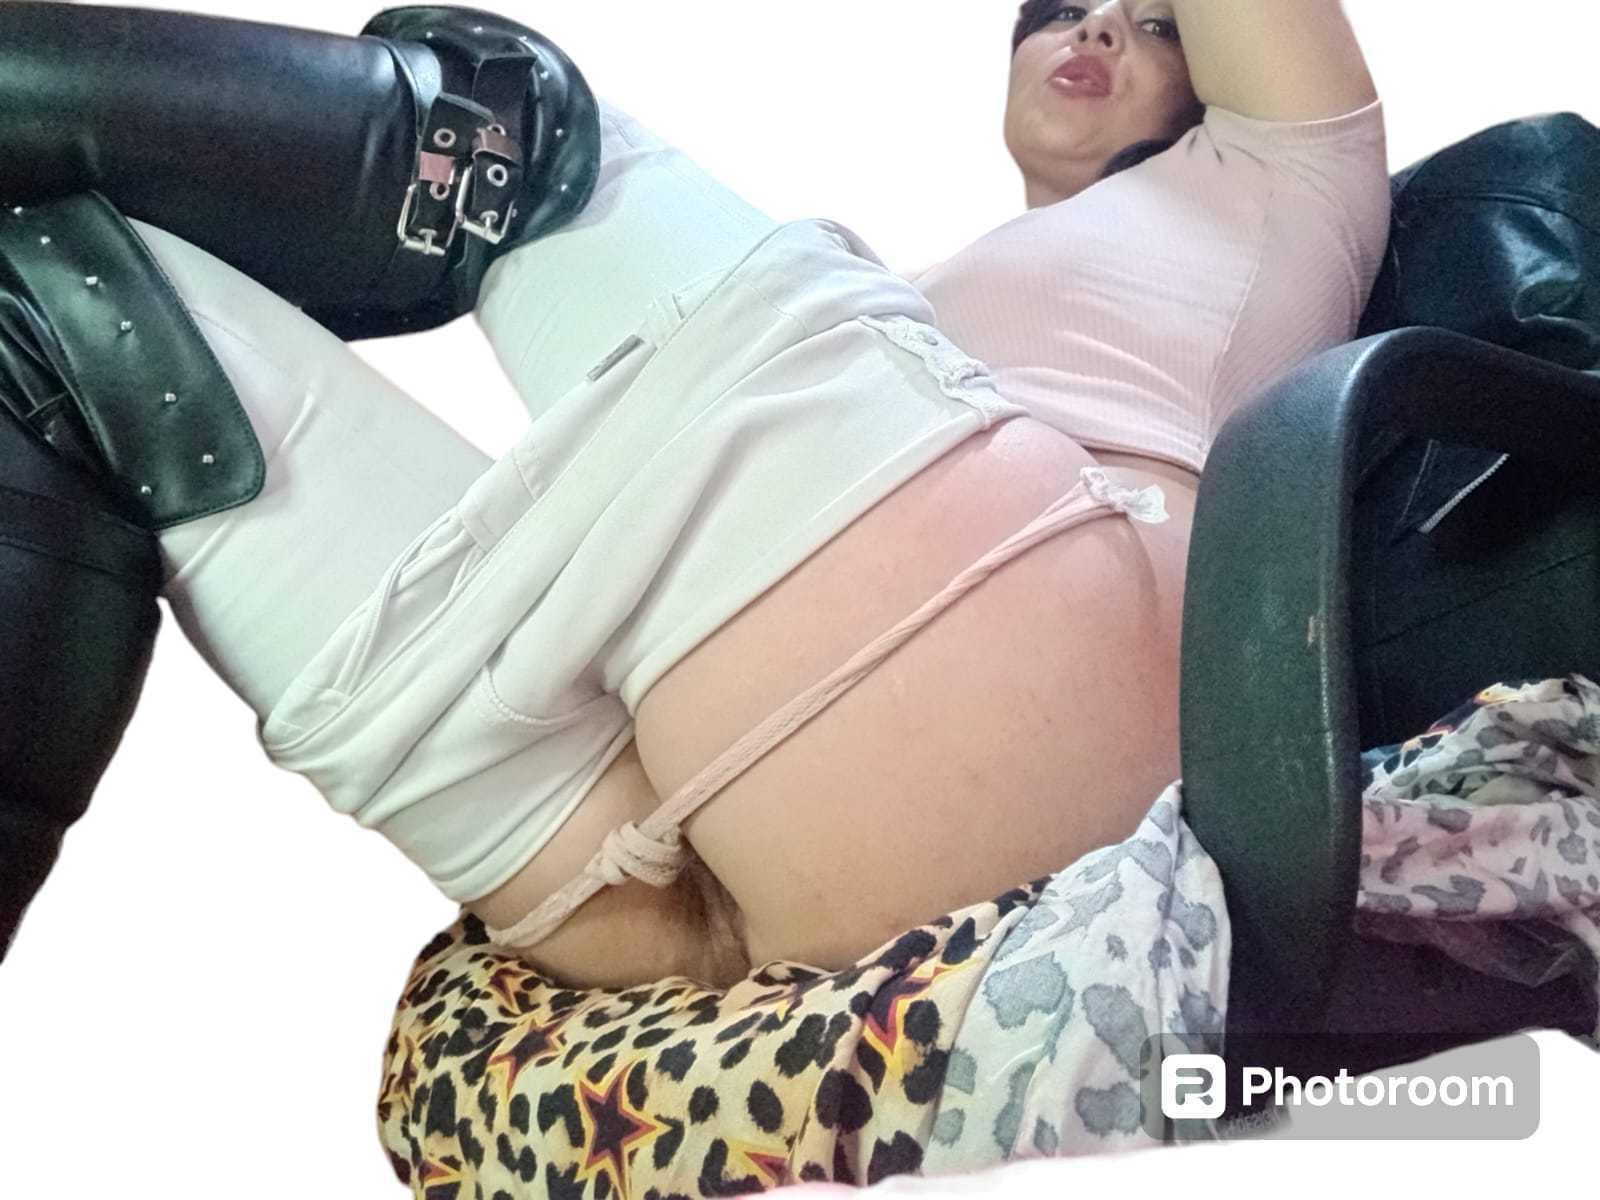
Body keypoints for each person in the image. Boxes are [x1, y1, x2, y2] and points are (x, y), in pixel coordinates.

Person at [0, 1, 1389, 990]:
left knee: (496, 130)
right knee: (55, 307)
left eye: (1159, 26)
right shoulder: (925, 317)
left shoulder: (1287, 171)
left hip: (995, 671)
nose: (1100, 30)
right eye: (1071, 10)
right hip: (673, 903)